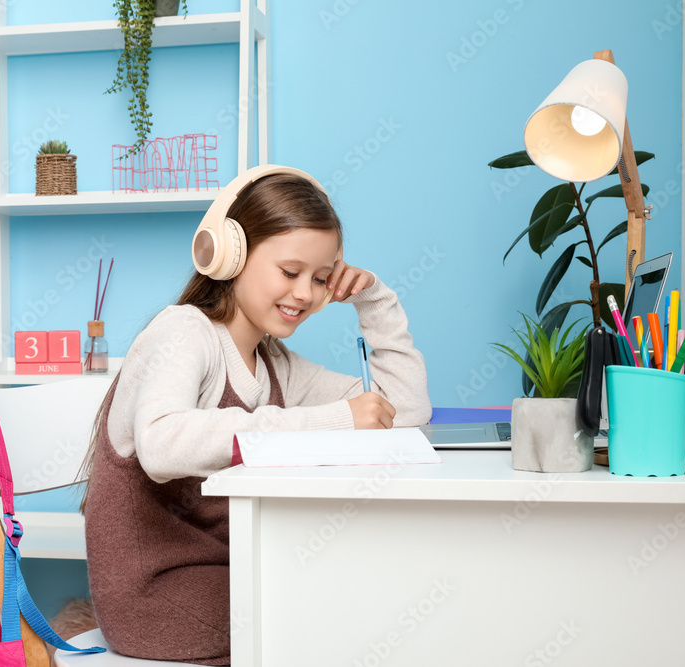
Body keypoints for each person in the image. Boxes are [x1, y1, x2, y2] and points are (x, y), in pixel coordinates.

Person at [79, 165, 431, 665]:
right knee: (348, 613)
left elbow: (404, 414)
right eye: (290, 272)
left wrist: (375, 302)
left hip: (228, 576)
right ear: (231, 255)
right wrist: (333, 421)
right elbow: (161, 444)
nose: (306, 294)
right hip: (157, 598)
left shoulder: (275, 365)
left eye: (321, 278)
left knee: (364, 594)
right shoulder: (183, 332)